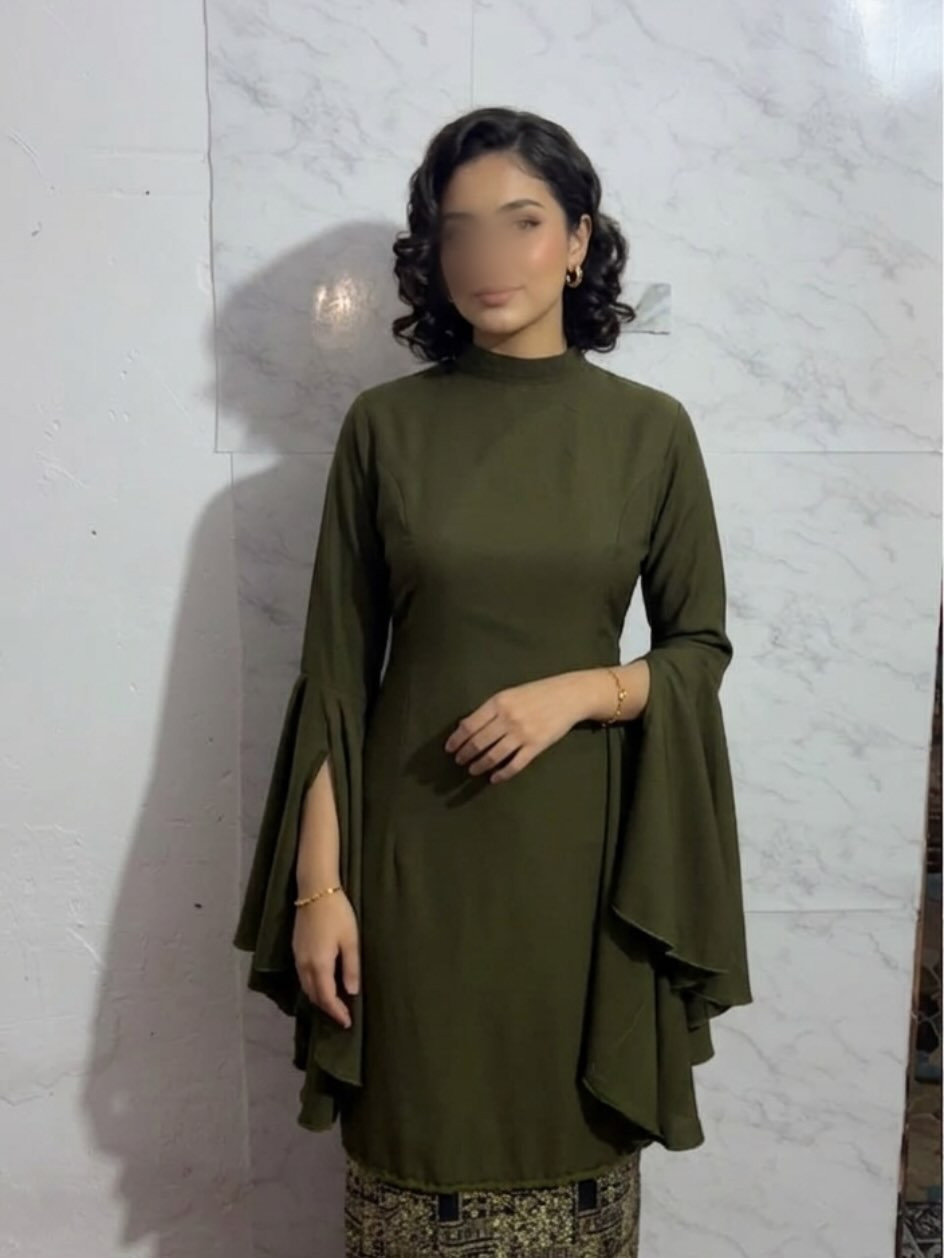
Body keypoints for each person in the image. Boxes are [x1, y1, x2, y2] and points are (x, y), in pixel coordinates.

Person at [233, 105, 753, 1257]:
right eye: (457, 230)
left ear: (577, 240)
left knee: (574, 1149)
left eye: (520, 222)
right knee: (412, 1153)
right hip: (412, 865)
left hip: (582, 870)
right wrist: (318, 891)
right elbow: (333, 676)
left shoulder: (648, 432)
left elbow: (696, 647)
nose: (486, 257)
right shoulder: (383, 428)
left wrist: (575, 693)